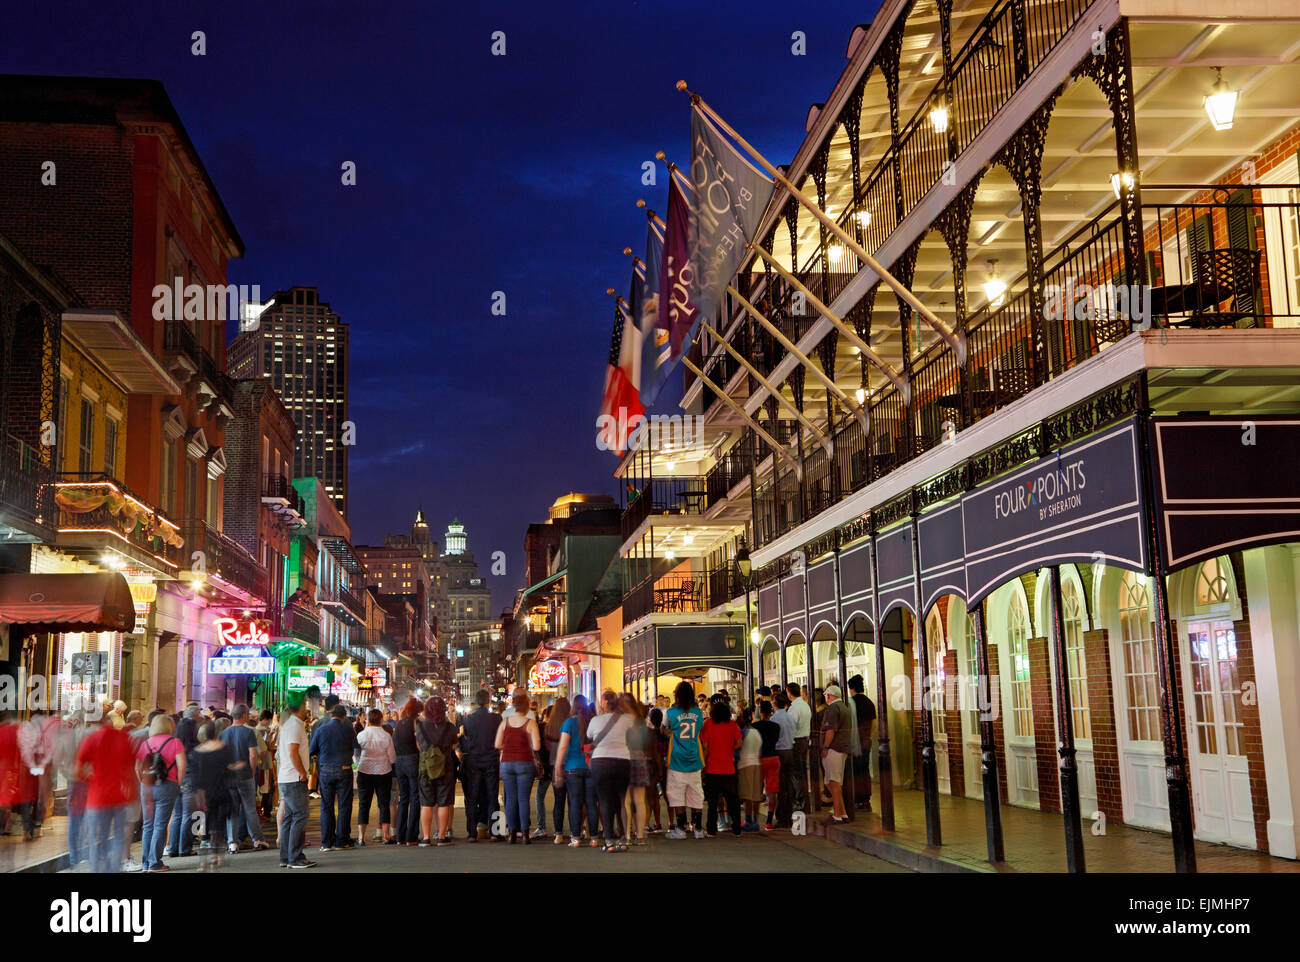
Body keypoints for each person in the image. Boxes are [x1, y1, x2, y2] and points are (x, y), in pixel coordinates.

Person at [76, 709, 135, 873]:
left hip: (97, 797)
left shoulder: (91, 739)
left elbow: (78, 770)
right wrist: (131, 792)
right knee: (118, 836)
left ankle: (97, 869)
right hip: (118, 796)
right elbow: (130, 769)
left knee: (96, 838)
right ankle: (114, 869)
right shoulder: (123, 738)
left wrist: (90, 779)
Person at [136, 713, 185, 872]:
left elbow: (137, 767)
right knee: (160, 824)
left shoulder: (146, 744)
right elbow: (182, 765)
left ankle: (145, 863)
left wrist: (143, 782)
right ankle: (155, 862)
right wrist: (178, 783)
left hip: (147, 786)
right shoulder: (175, 742)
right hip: (167, 785)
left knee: (148, 825)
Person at [587, 690, 634, 852]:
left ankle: (608, 841)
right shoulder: (627, 720)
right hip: (623, 761)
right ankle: (623, 839)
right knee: (622, 801)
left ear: (605, 703)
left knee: (605, 801)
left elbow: (589, 736)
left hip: (601, 762)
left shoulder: (595, 720)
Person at [309, 703, 358, 852]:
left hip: (325, 771)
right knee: (344, 805)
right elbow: (356, 748)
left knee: (326, 806)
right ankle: (341, 841)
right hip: (344, 769)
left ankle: (326, 842)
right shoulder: (349, 730)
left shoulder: (321, 729)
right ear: (344, 717)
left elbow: (312, 750)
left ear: (331, 715)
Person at [220, 704, 268, 854]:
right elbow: (253, 755)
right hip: (245, 775)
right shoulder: (248, 733)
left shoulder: (223, 734)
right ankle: (257, 839)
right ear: (244, 716)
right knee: (249, 808)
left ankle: (232, 842)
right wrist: (252, 771)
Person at [494, 690, 540, 844]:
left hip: (507, 763)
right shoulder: (530, 723)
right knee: (523, 799)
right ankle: (525, 833)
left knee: (511, 798)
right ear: (527, 707)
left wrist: (508, 745)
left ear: (513, 706)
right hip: (525, 762)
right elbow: (537, 746)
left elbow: (497, 744)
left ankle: (512, 833)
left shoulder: (505, 722)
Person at [190, 721, 237, 868]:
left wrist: (197, 794)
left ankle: (202, 861)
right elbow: (229, 768)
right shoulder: (223, 748)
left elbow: (195, 777)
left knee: (202, 825)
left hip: (203, 794)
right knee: (219, 824)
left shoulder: (196, 751)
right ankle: (216, 855)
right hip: (221, 790)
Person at [663, 680, 706, 840]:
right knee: (696, 793)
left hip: (676, 759)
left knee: (677, 794)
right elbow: (699, 730)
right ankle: (698, 828)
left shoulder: (671, 712)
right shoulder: (699, 712)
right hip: (694, 757)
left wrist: (668, 732)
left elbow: (664, 728)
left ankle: (680, 828)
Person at [276, 695, 315, 868]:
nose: (306, 709)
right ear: (299, 707)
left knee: (290, 817)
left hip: (287, 777)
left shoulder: (291, 725)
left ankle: (286, 857)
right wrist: (302, 773)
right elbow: (293, 752)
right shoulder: (294, 726)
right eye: (305, 706)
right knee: (300, 815)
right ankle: (295, 857)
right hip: (293, 777)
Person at [457, 690, 501, 842]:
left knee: (472, 797)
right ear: (488, 701)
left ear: (476, 701)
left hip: (473, 760)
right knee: (492, 795)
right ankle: (496, 831)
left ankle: (471, 832)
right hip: (491, 758)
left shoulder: (468, 719)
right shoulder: (496, 719)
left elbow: (465, 739)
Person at [555, 694, 597, 848]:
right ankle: (594, 838)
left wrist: (558, 766)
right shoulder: (593, 721)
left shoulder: (568, 723)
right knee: (591, 802)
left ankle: (576, 838)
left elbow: (563, 746)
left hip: (572, 767)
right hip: (591, 766)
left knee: (575, 803)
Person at [415, 696, 458, 846]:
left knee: (426, 803)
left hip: (426, 769)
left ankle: (426, 837)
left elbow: (418, 746)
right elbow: (454, 745)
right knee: (443, 803)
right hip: (445, 767)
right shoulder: (450, 727)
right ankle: (441, 836)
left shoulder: (419, 726)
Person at [700, 699, 743, 838]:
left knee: (712, 801)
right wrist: (729, 748)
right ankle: (736, 828)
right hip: (728, 768)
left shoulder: (708, 724)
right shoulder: (732, 725)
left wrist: (703, 765)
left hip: (712, 768)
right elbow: (739, 742)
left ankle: (711, 830)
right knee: (733, 801)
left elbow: (705, 747)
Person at [355, 708, 397, 845]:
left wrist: (359, 762)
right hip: (383, 772)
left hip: (364, 772)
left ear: (368, 719)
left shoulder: (361, 735)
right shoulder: (386, 736)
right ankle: (386, 836)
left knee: (363, 804)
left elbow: (355, 755)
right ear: (380, 719)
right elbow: (392, 758)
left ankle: (361, 838)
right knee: (384, 804)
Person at [165, 704, 201, 859]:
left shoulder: (173, 743)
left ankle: (172, 847)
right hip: (190, 780)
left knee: (177, 815)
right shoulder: (195, 746)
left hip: (174, 781)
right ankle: (184, 848)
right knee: (188, 815)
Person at [621, 694, 652, 846]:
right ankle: (640, 836)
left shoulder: (621, 722)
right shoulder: (641, 721)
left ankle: (627, 835)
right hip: (639, 758)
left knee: (626, 800)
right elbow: (647, 741)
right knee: (640, 800)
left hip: (624, 759)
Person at [392, 697, 423, 845]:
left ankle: (400, 835)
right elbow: (419, 745)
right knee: (415, 797)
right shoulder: (415, 723)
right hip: (412, 760)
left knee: (403, 798)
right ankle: (411, 835)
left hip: (399, 761)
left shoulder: (398, 724)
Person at [820, 685, 853, 823]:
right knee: (833, 781)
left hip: (834, 748)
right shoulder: (844, 707)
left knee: (833, 782)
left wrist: (826, 747)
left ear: (829, 695)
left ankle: (837, 815)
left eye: (826, 695)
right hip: (843, 748)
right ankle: (843, 813)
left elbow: (830, 730)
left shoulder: (832, 709)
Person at [847, 675, 876, 813]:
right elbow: (874, 724)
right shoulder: (869, 702)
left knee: (855, 771)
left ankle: (858, 799)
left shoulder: (851, 703)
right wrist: (868, 736)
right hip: (866, 741)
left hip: (854, 742)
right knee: (864, 770)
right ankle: (866, 798)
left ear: (851, 688)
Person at [543, 697, 570, 843]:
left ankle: (558, 834)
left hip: (555, 765)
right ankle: (574, 832)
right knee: (573, 800)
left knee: (558, 800)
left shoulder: (549, 726)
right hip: (570, 764)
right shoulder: (571, 723)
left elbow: (547, 747)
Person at [753, 701, 782, 831]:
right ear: (771, 712)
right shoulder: (776, 726)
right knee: (772, 790)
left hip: (759, 759)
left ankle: (754, 820)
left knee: (756, 791)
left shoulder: (754, 726)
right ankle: (769, 820)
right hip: (773, 758)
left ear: (760, 712)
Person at [786, 681, 812, 816]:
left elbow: (791, 726)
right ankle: (803, 802)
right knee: (801, 772)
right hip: (804, 740)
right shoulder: (805, 705)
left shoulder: (794, 708)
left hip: (796, 741)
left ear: (789, 693)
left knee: (797, 774)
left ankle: (801, 803)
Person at [771, 690, 797, 828]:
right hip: (790, 750)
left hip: (779, 752)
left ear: (774, 703)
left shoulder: (774, 719)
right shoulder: (790, 717)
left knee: (781, 786)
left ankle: (782, 816)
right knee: (788, 785)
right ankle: (788, 815)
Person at [736, 708, 763, 832]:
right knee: (756, 794)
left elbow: (737, 749)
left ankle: (748, 821)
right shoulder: (756, 732)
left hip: (745, 764)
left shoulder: (742, 732)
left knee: (747, 795)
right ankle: (755, 821)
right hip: (757, 763)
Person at [645, 707, 667, 833]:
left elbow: (655, 753)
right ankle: (662, 822)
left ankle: (646, 823)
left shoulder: (649, 733)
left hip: (650, 765)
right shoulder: (663, 734)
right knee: (660, 797)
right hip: (662, 765)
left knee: (648, 797)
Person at [256, 709, 277, 819]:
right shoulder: (263, 730)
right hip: (265, 762)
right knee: (267, 788)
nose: (269, 723)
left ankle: (262, 810)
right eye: (269, 721)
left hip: (259, 762)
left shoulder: (256, 729)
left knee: (261, 787)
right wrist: (274, 734)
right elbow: (269, 746)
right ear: (265, 719)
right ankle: (266, 812)